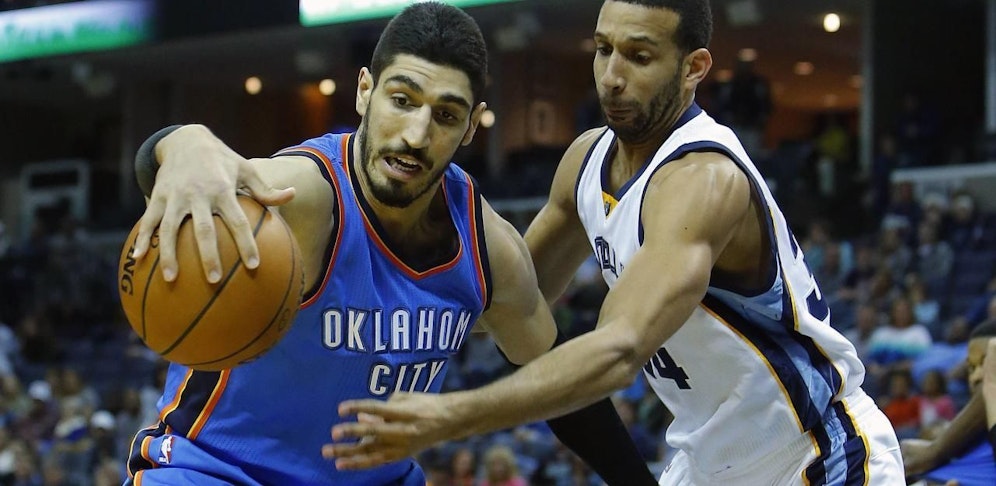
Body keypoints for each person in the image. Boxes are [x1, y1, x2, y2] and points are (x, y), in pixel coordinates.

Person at [324, 1, 906, 484]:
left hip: (813, 454)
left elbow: (617, 351)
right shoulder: (585, 161)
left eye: (639, 56)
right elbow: (501, 307)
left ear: (694, 66)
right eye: (603, 49)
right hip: (709, 465)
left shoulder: (703, 180)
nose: (612, 75)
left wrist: (450, 416)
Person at [125, 3, 657, 485]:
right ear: (364, 91)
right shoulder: (304, 196)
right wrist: (180, 142)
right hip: (218, 472)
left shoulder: (489, 249)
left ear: (472, 126)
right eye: (401, 100)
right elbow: (197, 171)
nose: (416, 134)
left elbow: (565, 395)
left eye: (445, 115)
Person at [902, 322, 996, 485]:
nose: (976, 377)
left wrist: (935, 450)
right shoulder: (967, 439)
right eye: (971, 368)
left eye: (988, 364)